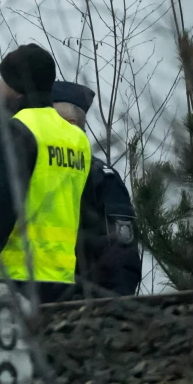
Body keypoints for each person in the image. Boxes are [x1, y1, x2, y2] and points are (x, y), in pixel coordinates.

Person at [0, 44, 92, 304]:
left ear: (16, 87)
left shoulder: (16, 132)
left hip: (13, 277)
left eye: (3, 79)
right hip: (61, 277)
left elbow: (2, 209)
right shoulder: (77, 138)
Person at [52, 81, 143, 297]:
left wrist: (115, 315)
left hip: (86, 308)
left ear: (69, 124)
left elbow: (120, 255)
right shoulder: (31, 176)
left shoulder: (98, 178)